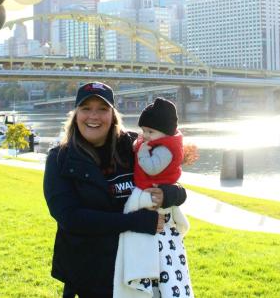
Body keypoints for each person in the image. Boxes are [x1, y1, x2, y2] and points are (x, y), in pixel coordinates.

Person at [43, 82, 187, 298]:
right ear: (75, 114)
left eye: (102, 109)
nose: (94, 116)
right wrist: (134, 221)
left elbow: (171, 179)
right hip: (89, 273)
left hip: (139, 268)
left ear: (113, 114)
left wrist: (172, 194)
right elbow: (69, 217)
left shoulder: (136, 146)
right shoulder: (60, 158)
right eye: (86, 108)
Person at [113, 98, 193, 298]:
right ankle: (142, 278)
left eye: (150, 132)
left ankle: (148, 281)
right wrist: (141, 144)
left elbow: (151, 167)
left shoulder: (164, 149)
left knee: (162, 255)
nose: (145, 136)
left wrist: (141, 152)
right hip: (146, 196)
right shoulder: (151, 142)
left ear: (165, 132)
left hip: (151, 193)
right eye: (144, 131)